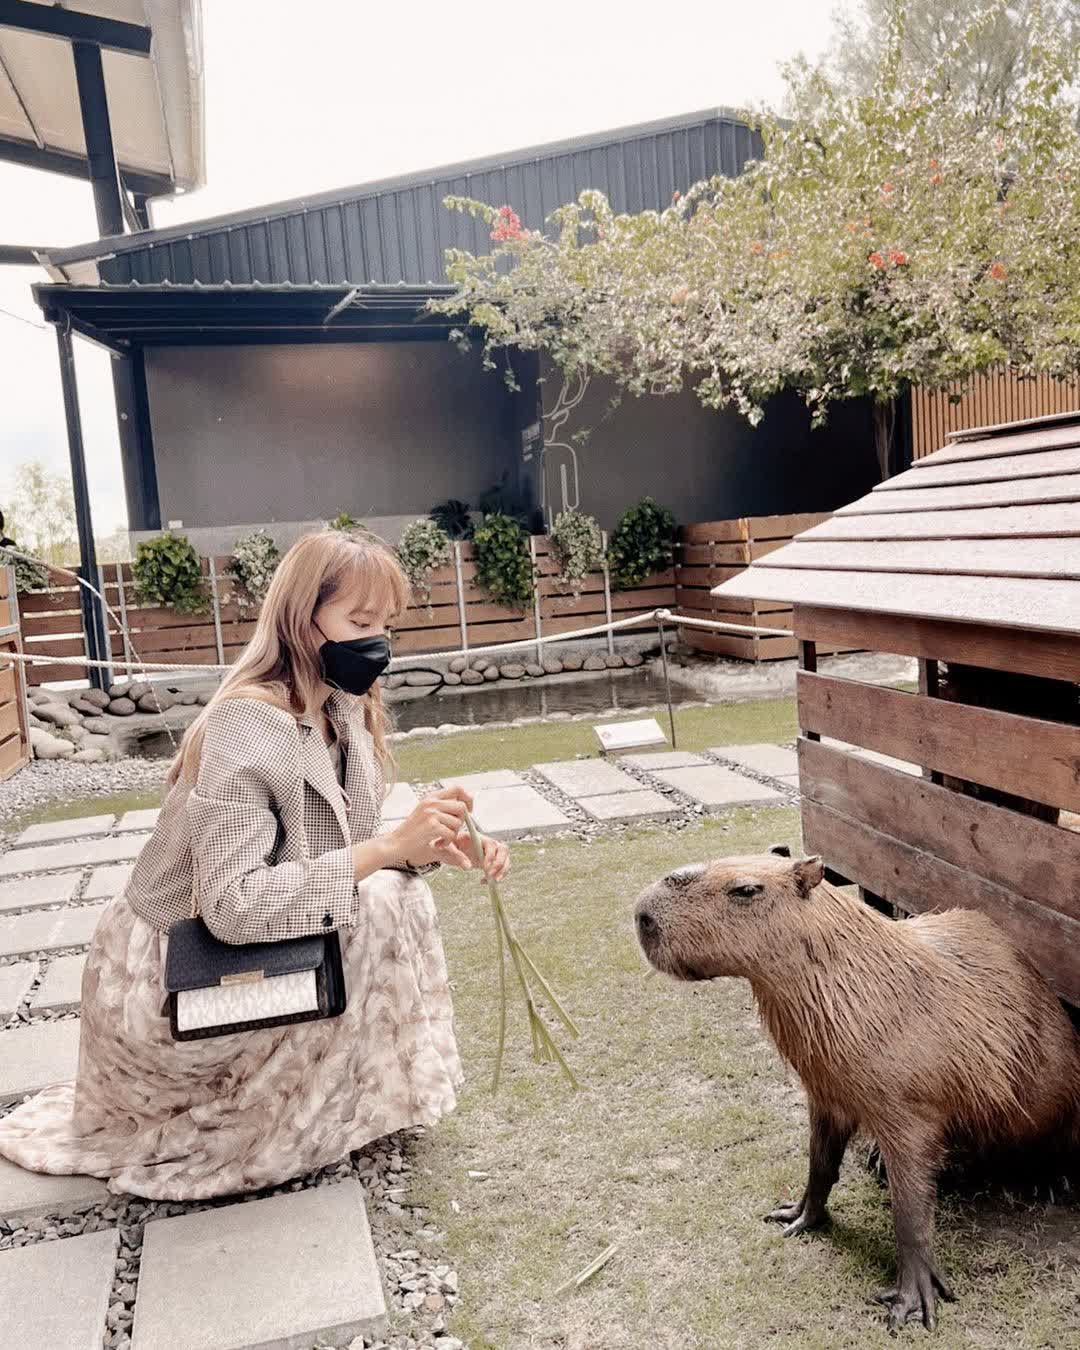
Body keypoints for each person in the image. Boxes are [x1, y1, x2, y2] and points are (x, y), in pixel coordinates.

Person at [0, 529, 508, 1200]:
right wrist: (386, 852)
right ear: (303, 619)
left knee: (396, 894)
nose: (376, 640)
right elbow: (234, 907)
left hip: (242, 945)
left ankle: (349, 1096)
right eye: (360, 621)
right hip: (173, 976)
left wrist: (430, 842)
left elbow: (329, 850)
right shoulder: (249, 723)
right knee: (381, 901)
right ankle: (287, 1110)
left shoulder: (342, 706)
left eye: (386, 624)